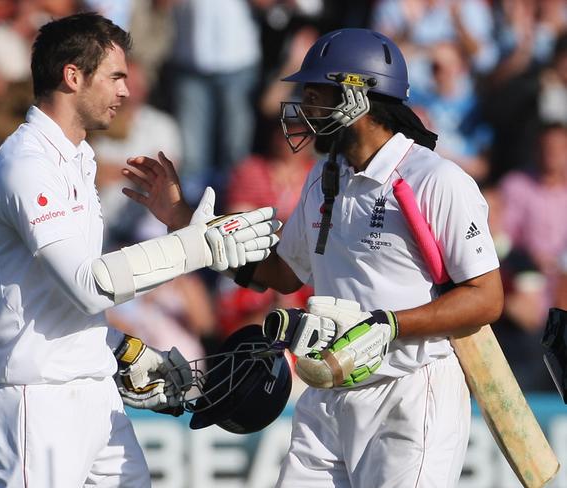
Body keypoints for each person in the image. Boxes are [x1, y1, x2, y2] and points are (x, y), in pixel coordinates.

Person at [128, 28, 504, 487]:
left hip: (408, 393)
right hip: (327, 391)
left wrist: (387, 325)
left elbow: (486, 299)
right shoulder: (325, 177)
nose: (303, 109)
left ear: (357, 96)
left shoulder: (436, 180)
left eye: (314, 94)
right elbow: (284, 274)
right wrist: (185, 221)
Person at [0, 12, 279, 488]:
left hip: (95, 396)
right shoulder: (25, 163)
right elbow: (89, 286)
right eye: (115, 76)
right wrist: (199, 246)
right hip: (36, 403)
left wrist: (125, 350)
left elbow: (64, 302)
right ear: (73, 75)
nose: (126, 91)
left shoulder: (77, 156)